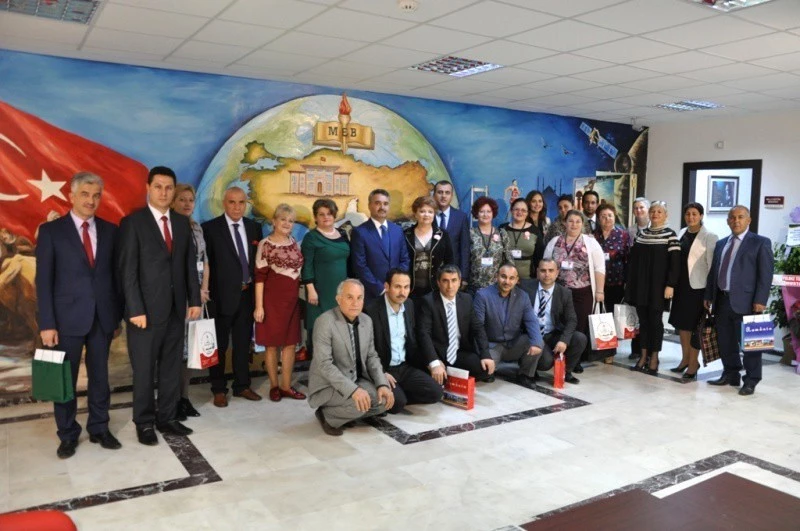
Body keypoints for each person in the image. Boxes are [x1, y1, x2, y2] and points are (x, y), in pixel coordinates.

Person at [36, 172, 123, 458]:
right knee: (65, 379)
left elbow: (115, 278)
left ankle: (99, 427)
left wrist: (116, 317)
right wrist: (47, 323)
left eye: (96, 195)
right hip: (65, 321)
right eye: (85, 194)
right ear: (72, 196)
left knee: (100, 377)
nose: (91, 200)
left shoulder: (110, 231)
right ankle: (68, 434)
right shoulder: (51, 232)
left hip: (102, 318)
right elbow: (43, 281)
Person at [118, 166, 201, 445]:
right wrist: (135, 309)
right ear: (148, 188)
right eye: (158, 187)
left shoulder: (181, 223)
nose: (163, 192)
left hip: (176, 310)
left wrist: (194, 300)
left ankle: (167, 417)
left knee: (170, 368)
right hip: (144, 313)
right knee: (144, 370)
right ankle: (144, 422)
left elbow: (189, 265)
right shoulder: (133, 223)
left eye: (168, 188)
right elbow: (127, 271)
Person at [308, 279, 394, 436]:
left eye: (359, 298)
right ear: (338, 299)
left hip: (356, 379)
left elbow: (371, 356)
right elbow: (324, 365)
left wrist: (382, 384)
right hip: (329, 385)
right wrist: (353, 391)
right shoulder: (324, 322)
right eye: (349, 297)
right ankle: (326, 415)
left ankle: (348, 412)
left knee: (384, 401)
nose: (355, 303)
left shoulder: (366, 321)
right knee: (358, 405)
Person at [202, 187, 262, 407]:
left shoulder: (254, 228)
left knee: (242, 343)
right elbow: (206, 264)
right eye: (232, 202)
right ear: (224, 203)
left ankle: (242, 385)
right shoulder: (210, 229)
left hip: (246, 296)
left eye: (241, 202)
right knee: (218, 345)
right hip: (220, 298)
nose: (237, 207)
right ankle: (218, 389)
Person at [704, 206, 773, 395]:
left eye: (740, 217)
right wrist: (709, 295)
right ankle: (731, 374)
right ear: (728, 221)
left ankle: (751, 380)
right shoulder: (721, 244)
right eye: (732, 217)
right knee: (725, 342)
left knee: (751, 345)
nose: (736, 221)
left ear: (748, 220)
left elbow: (765, 275)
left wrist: (760, 300)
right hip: (722, 300)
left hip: (749, 303)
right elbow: (714, 272)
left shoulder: (760, 242)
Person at [364, 269, 443, 413]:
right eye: (397, 287)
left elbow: (417, 339)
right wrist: (380, 374)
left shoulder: (409, 304)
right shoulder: (371, 310)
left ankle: (399, 394)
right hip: (384, 368)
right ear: (386, 286)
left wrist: (432, 361)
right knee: (397, 404)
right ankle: (396, 396)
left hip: (404, 367)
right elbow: (366, 350)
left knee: (436, 393)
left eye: (406, 287)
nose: (402, 292)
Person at [254, 204, 306, 402]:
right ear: (274, 221)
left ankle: (286, 386)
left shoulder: (294, 243)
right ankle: (274, 386)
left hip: (292, 302)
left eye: (291, 221)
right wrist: (259, 306)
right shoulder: (265, 244)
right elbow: (259, 278)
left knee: (290, 344)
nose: (287, 223)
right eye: (283, 219)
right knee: (271, 345)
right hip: (271, 302)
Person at [543, 210, 605, 373]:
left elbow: (599, 268)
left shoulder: (590, 242)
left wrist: (600, 291)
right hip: (559, 292)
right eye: (571, 221)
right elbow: (546, 263)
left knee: (579, 326)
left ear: (582, 224)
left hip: (582, 292)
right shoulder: (555, 241)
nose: (574, 224)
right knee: (560, 324)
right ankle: (559, 355)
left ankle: (575, 360)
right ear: (565, 223)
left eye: (578, 221)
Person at [625, 201, 680, 375]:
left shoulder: (670, 235)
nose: (655, 214)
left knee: (655, 322)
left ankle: (654, 357)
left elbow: (675, 264)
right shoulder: (641, 234)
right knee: (643, 321)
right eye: (653, 211)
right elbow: (634, 262)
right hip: (640, 286)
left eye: (659, 211)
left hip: (659, 287)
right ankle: (643, 356)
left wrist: (671, 285)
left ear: (666, 215)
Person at [171, 184, 210, 418]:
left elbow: (205, 261)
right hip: (178, 298)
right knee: (175, 350)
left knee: (191, 351)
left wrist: (203, 289)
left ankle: (184, 397)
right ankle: (171, 400)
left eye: (190, 200)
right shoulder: (169, 227)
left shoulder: (197, 228)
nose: (187, 204)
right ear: (173, 202)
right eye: (182, 199)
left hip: (197, 299)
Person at [417, 265, 495, 383]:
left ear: (459, 282)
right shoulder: (428, 301)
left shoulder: (466, 299)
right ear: (438, 283)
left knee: (485, 370)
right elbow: (424, 334)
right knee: (436, 378)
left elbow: (478, 328)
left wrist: (485, 354)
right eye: (445, 281)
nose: (450, 286)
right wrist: (434, 362)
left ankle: (449, 374)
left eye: (454, 280)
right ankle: (444, 373)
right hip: (438, 353)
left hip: (459, 352)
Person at [668, 202, 718, 380]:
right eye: (688, 214)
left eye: (694, 214)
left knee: (694, 327)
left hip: (697, 289)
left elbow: (712, 267)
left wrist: (710, 293)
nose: (691, 217)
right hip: (681, 287)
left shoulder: (709, 236)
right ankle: (685, 359)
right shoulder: (681, 232)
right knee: (681, 325)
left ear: (701, 216)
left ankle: (693, 363)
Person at [474, 263, 544, 386]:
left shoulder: (523, 296)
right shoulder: (483, 295)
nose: (507, 281)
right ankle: (491, 370)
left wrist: (536, 343)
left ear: (517, 280)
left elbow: (531, 321)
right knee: (483, 372)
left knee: (536, 341)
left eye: (511, 278)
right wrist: (484, 353)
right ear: (496, 276)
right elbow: (478, 327)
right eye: (503, 277)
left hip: (513, 344)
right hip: (491, 345)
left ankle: (525, 375)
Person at [522, 259, 586, 385]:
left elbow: (572, 319)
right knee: (546, 363)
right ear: (537, 272)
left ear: (557, 273)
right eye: (543, 271)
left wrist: (564, 340)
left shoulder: (564, 293)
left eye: (551, 271)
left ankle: (565, 372)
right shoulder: (525, 287)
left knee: (580, 338)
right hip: (531, 334)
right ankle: (528, 369)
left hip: (551, 334)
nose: (547, 274)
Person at [301, 198, 350, 356]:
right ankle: (320, 369)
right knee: (321, 333)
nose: (326, 217)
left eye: (329, 213)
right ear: (315, 217)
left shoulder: (343, 234)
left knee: (340, 334)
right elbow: (306, 265)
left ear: (334, 215)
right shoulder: (311, 238)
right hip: (320, 293)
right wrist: (311, 290)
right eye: (321, 214)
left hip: (341, 293)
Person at [350, 189, 410, 300]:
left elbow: (405, 259)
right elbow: (360, 266)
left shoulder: (397, 230)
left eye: (385, 204)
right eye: (377, 203)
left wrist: (396, 284)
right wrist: (380, 289)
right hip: (373, 293)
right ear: (369, 206)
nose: (382, 207)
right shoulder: (360, 232)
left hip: (397, 292)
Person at [594, 203, 630, 363]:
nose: (607, 219)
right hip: (597, 283)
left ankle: (610, 351)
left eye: (609, 215)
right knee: (599, 315)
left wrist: (627, 282)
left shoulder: (623, 235)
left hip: (616, 282)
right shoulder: (593, 236)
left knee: (612, 316)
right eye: (603, 216)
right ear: (598, 219)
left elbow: (628, 259)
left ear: (614, 217)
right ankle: (599, 348)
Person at [404, 196, 453, 301]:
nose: (426, 215)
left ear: (434, 214)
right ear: (415, 213)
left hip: (435, 290)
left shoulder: (443, 235)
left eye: (430, 212)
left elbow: (450, 262)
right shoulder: (406, 235)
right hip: (410, 291)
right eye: (422, 211)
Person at [469, 196, 514, 293]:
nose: (485, 214)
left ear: (493, 213)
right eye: (482, 211)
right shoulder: (470, 234)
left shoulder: (502, 233)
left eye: (488, 211)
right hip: (474, 287)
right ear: (476, 213)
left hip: (497, 288)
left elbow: (509, 260)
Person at [433, 180, 471, 286]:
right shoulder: (427, 215)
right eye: (440, 192)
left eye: (447, 193)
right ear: (434, 194)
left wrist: (464, 277)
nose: (443, 196)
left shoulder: (461, 217)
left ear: (452, 196)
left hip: (453, 274)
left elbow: (464, 249)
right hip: (431, 273)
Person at [627, 196, 651, 360]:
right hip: (634, 277)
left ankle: (648, 350)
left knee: (648, 316)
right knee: (635, 315)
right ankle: (635, 349)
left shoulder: (655, 229)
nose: (639, 210)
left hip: (649, 278)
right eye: (636, 208)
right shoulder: (630, 231)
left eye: (642, 207)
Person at [500, 198, 537, 282]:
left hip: (527, 279)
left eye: (523, 210)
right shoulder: (502, 229)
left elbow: (538, 256)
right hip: (505, 279)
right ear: (511, 210)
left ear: (527, 213)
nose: (520, 212)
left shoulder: (535, 231)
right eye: (516, 209)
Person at [526, 190, 550, 270]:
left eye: (540, 201)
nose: (537, 204)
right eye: (534, 201)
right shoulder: (524, 221)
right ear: (528, 203)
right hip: (528, 260)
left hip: (543, 259)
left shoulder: (547, 221)